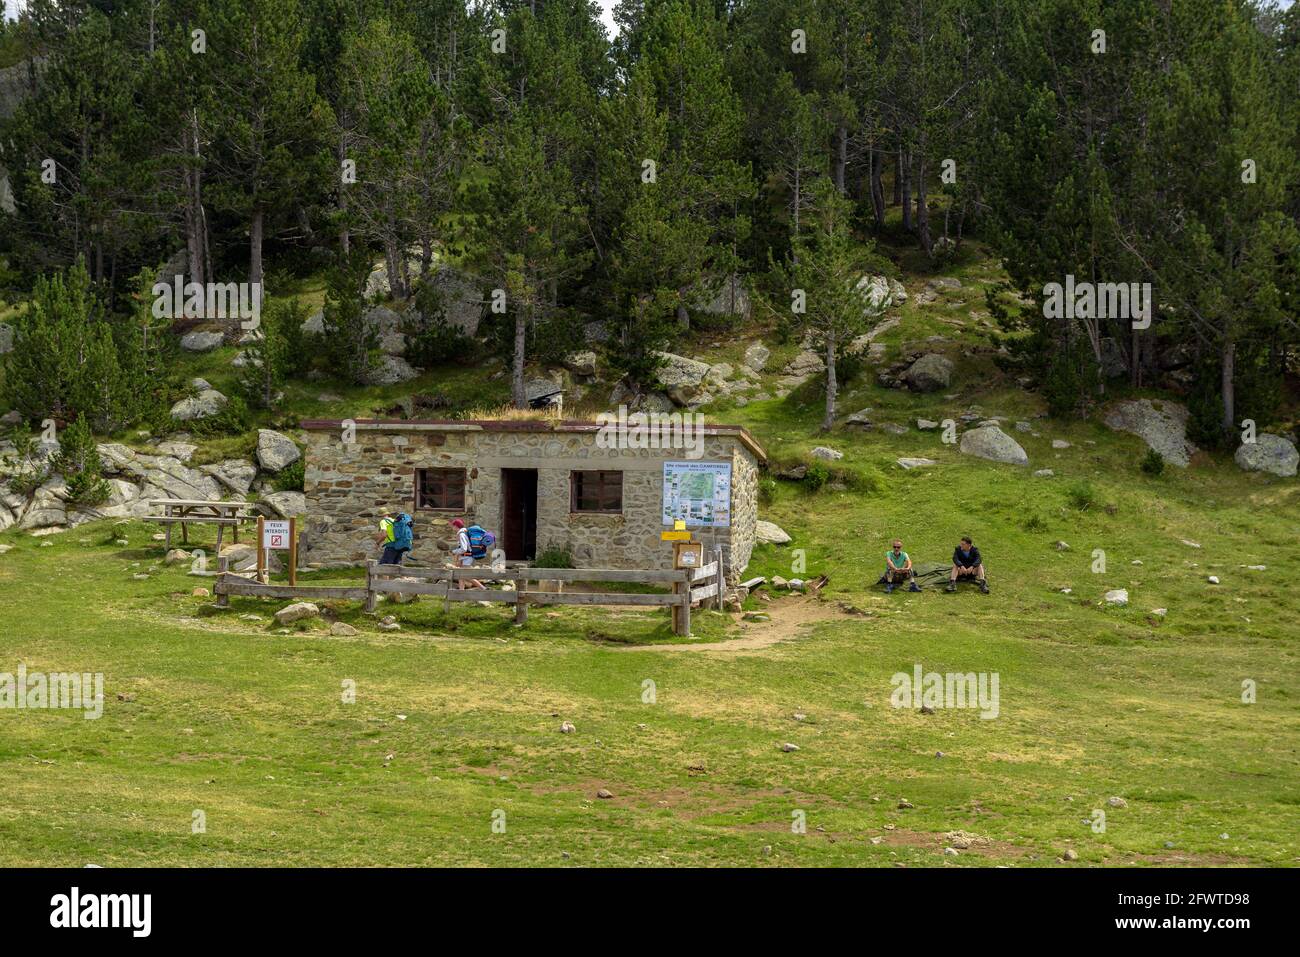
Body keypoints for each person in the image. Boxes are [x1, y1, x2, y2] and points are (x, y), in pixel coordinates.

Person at [449, 518, 486, 590]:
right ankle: (461, 594)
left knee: (466, 576)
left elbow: (464, 548)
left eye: (453, 526)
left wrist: (454, 551)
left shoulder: (461, 534)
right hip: (465, 557)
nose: (452, 528)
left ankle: (483, 588)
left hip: (467, 557)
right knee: (461, 576)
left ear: (456, 526)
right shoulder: (463, 533)